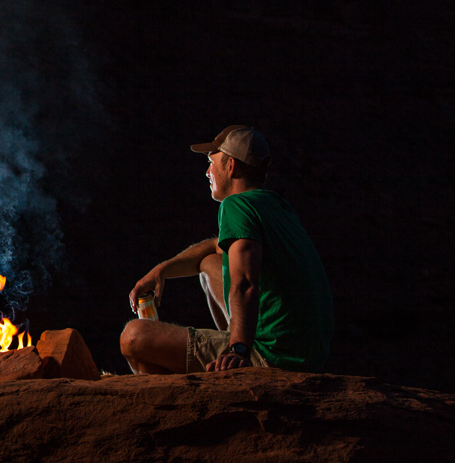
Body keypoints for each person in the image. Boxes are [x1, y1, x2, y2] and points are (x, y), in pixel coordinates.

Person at [120, 125, 333, 375]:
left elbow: (245, 283)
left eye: (212, 163)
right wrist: (161, 271)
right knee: (209, 263)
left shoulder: (236, 205)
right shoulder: (274, 205)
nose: (207, 171)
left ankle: (187, 398)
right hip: (306, 352)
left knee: (134, 336)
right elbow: (215, 246)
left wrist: (239, 350)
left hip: (273, 355)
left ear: (231, 166)